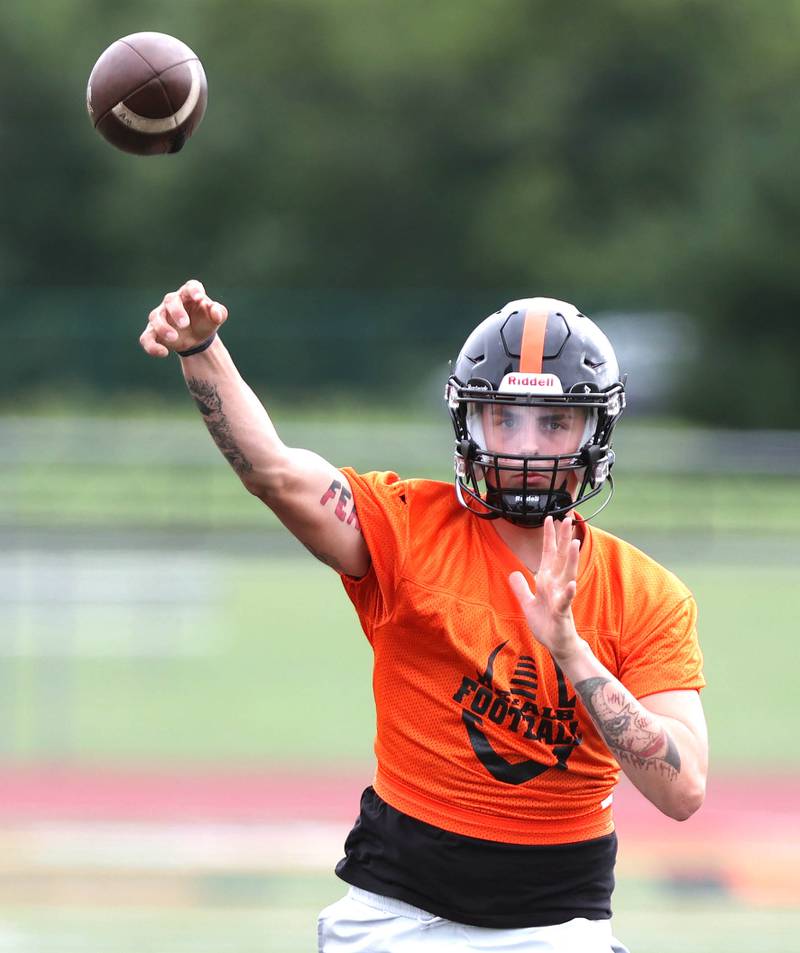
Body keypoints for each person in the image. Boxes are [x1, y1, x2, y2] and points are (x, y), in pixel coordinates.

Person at [140, 283, 708, 953]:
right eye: (505, 417)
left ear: (595, 431)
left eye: (553, 421)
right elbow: (275, 472)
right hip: (397, 919)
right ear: (471, 422)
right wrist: (201, 349)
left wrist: (570, 649)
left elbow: (683, 789)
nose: (527, 444)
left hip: (559, 927)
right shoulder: (408, 527)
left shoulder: (645, 593)